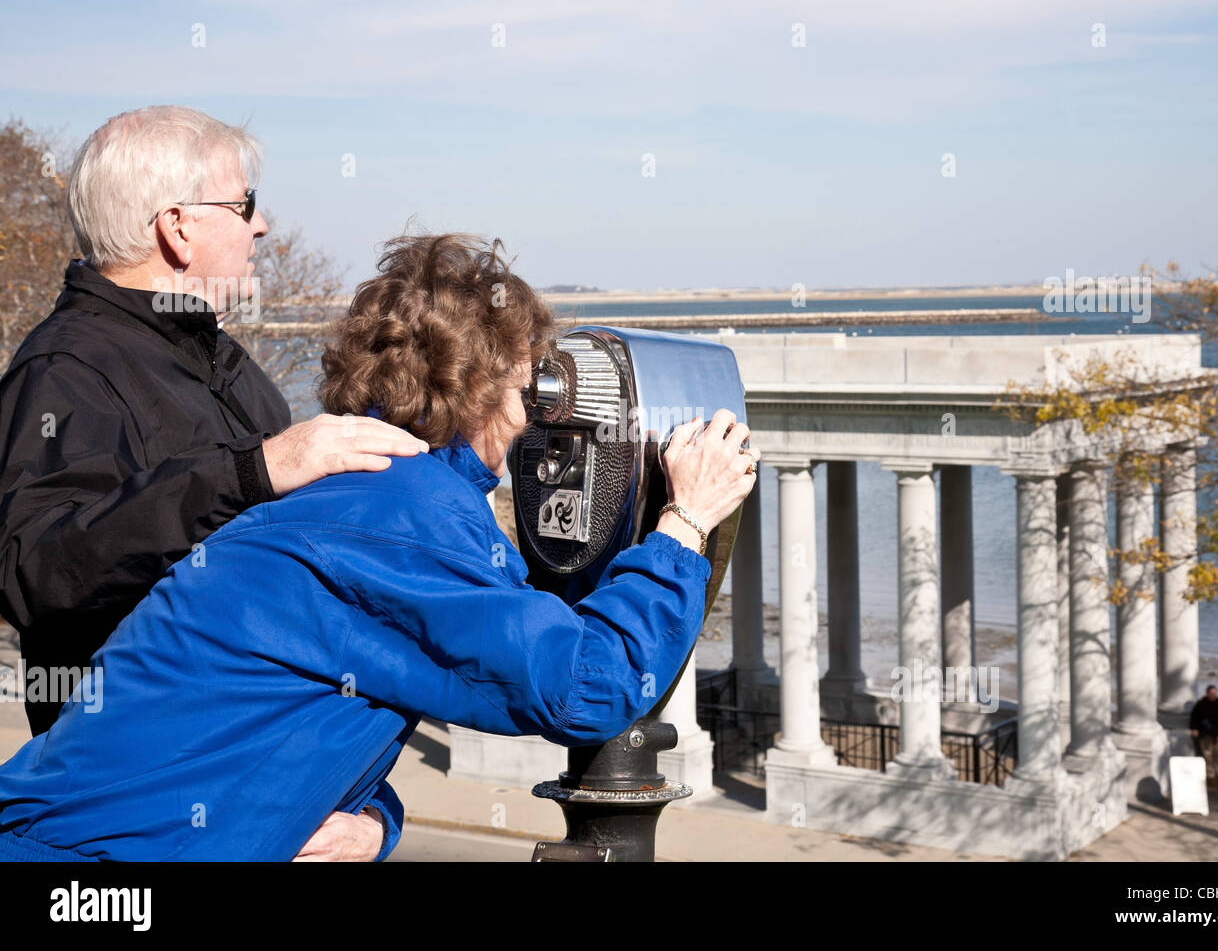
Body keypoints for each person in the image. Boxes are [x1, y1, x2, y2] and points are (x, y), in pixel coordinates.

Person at [0, 233, 760, 861]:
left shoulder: (370, 495)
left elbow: (317, 708)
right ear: (483, 387)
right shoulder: (398, 519)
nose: (539, 416)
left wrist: (376, 824)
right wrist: (685, 523)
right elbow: (590, 687)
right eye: (531, 386)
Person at [0, 106, 428, 859]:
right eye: (244, 205)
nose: (262, 227)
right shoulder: (67, 369)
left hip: (259, 805)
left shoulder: (224, 365)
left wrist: (373, 820)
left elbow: (311, 607)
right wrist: (251, 472)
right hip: (139, 822)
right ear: (178, 228)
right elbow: (36, 568)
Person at [1189, 684, 1218, 781]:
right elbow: (1194, 718)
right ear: (1207, 694)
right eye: (1211, 693)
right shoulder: (1201, 704)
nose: (1213, 695)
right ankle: (1209, 774)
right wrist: (1194, 728)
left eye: (1215, 693)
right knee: (1207, 755)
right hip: (1206, 735)